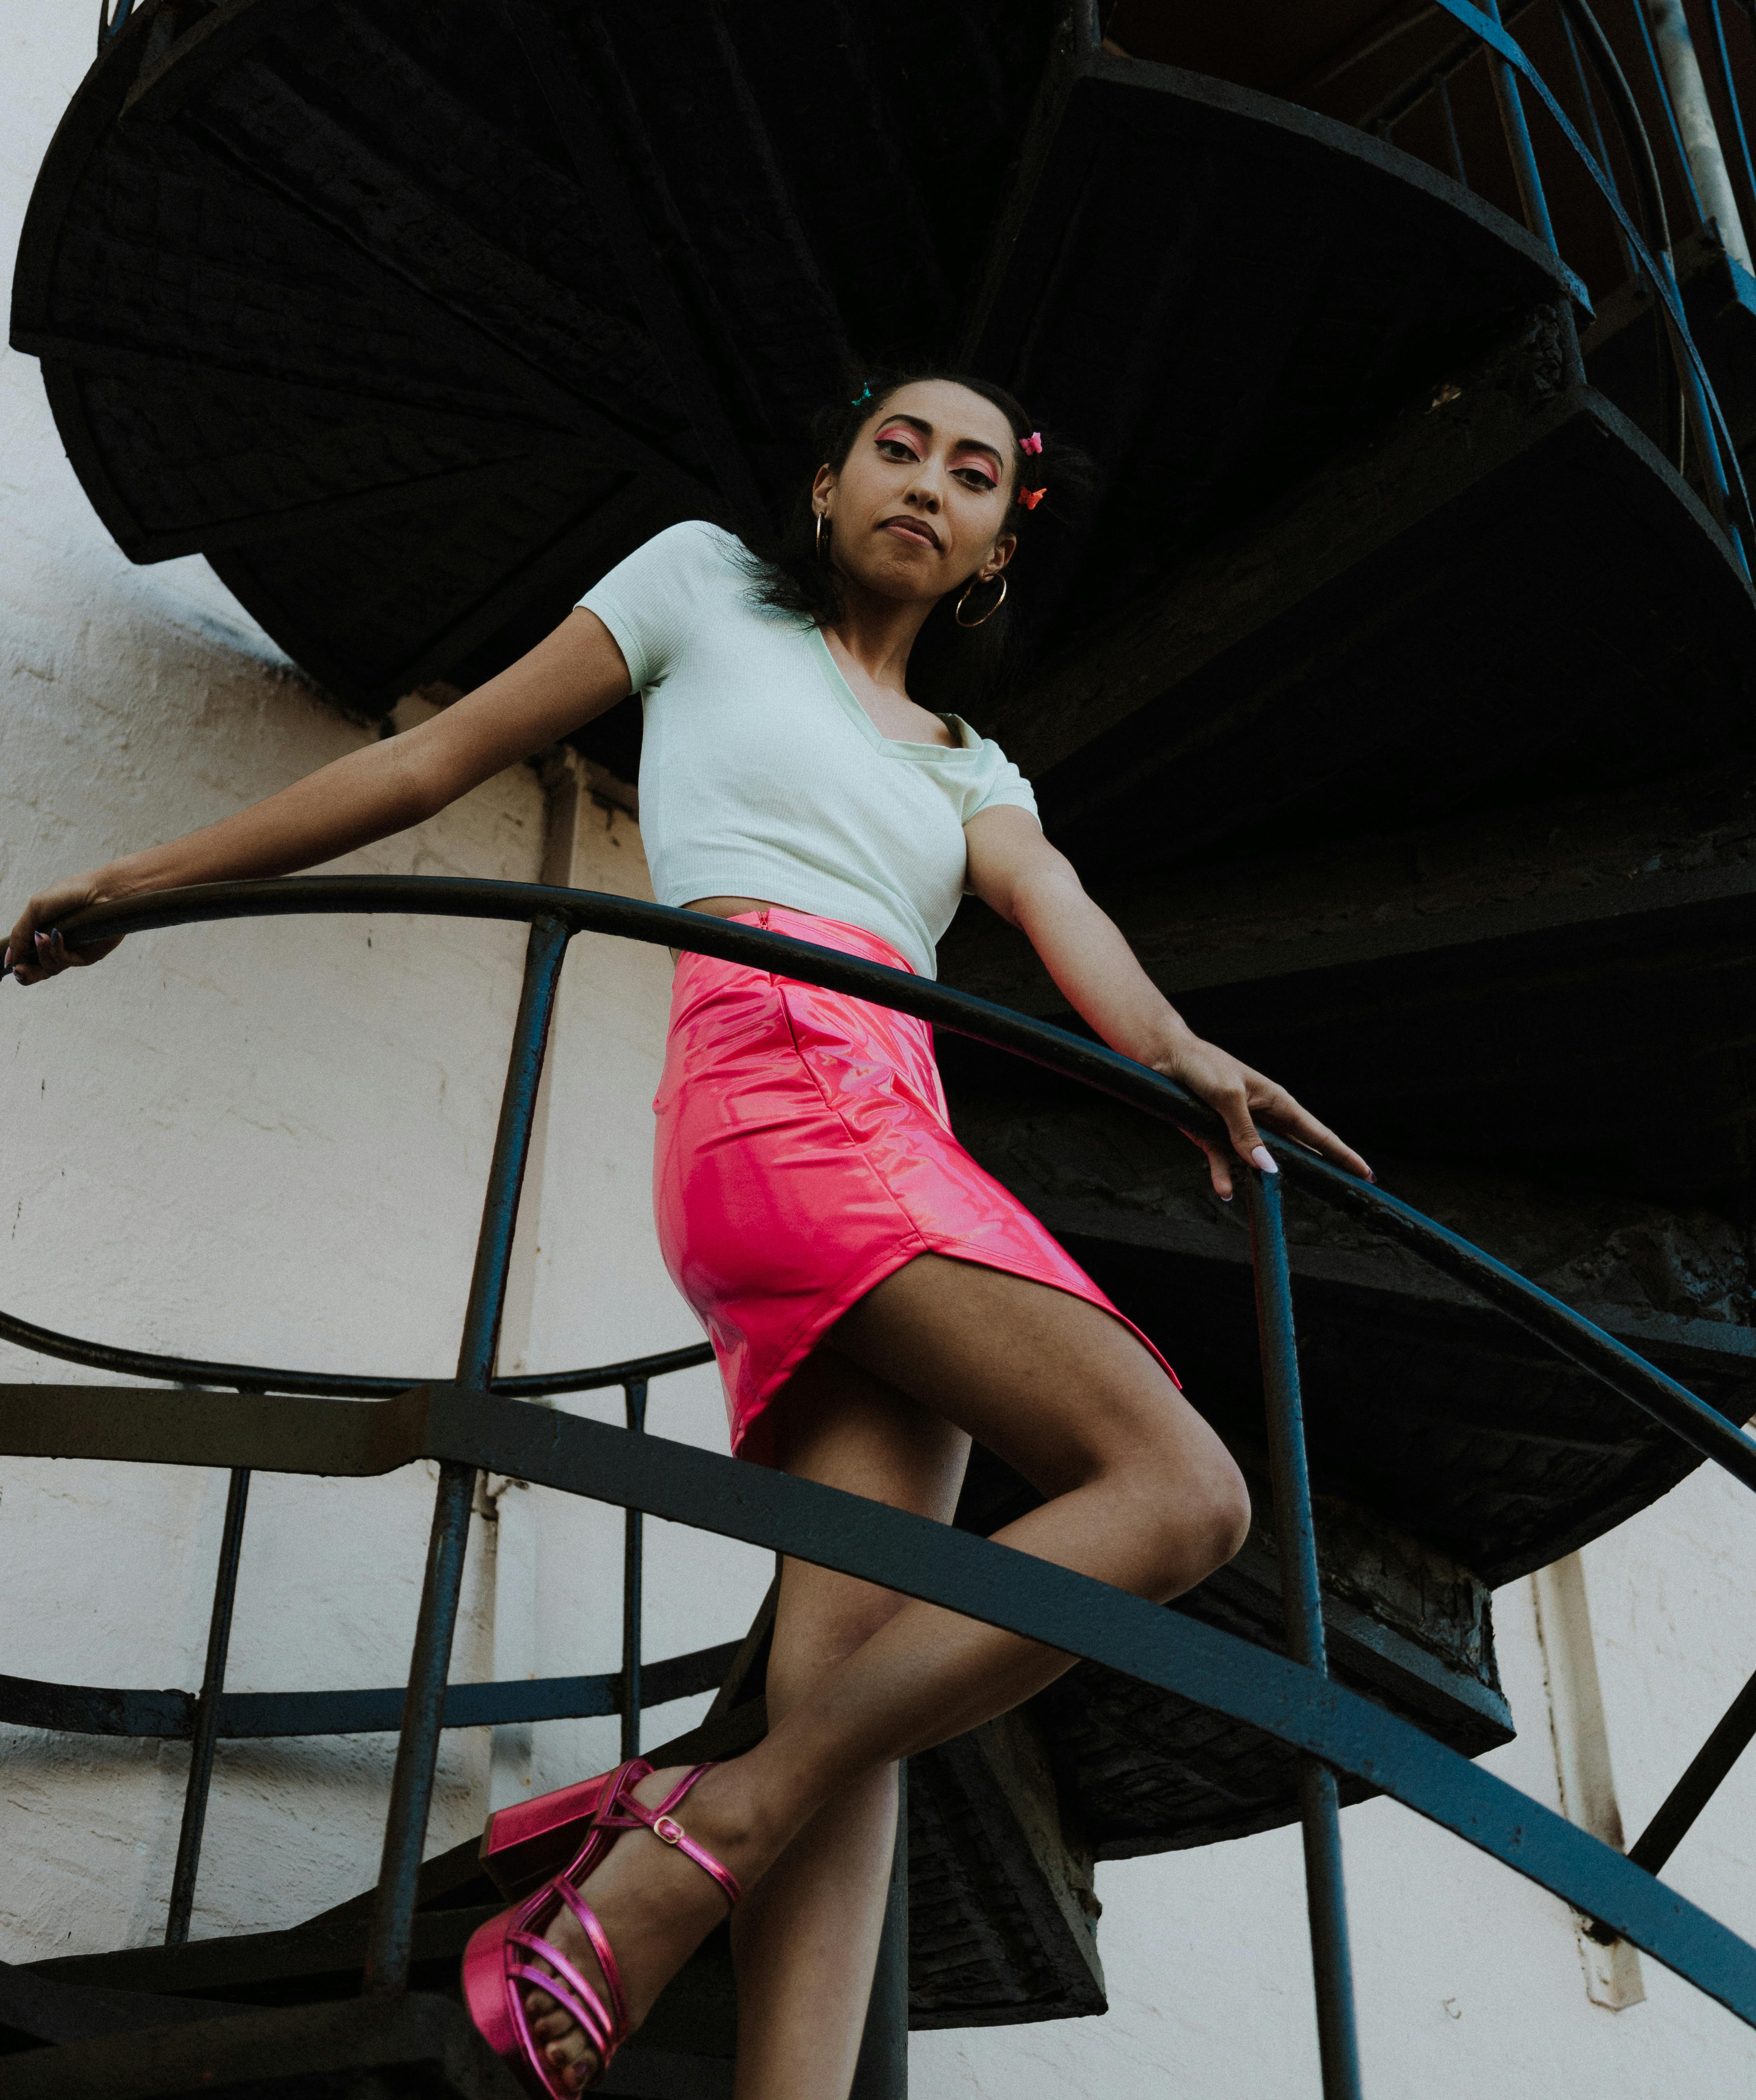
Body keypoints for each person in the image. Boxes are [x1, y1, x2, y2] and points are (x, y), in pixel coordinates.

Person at [6, 371, 1369, 2099]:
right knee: (1184, 1495)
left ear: (988, 553)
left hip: (903, 1127)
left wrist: (1173, 1052)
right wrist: (146, 884)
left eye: (970, 475)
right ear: (825, 483)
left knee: (863, 1685)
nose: (926, 485)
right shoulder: (702, 586)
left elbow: (1063, 911)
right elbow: (434, 757)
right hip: (781, 1094)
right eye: (897, 446)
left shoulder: (972, 765)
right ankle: (696, 1828)